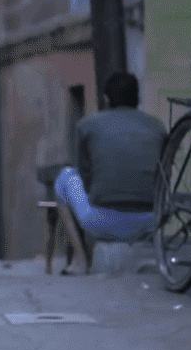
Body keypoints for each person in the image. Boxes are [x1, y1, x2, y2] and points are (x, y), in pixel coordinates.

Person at [54, 72, 167, 242]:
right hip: (152, 219)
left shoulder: (87, 125)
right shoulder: (157, 126)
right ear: (138, 98)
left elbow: (84, 174)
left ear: (106, 99)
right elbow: (165, 174)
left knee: (65, 176)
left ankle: (80, 260)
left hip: (101, 221)